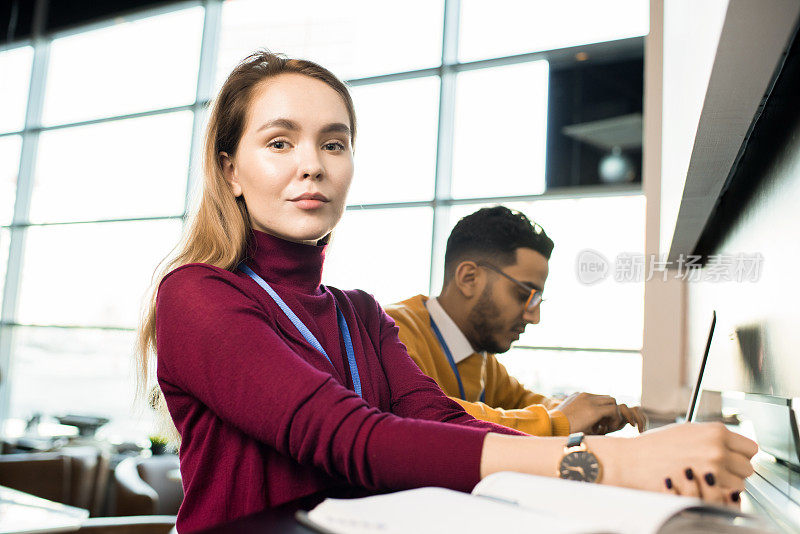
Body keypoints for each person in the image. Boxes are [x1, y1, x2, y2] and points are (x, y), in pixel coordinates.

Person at [135, 50, 757, 532]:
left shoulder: (360, 314)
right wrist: (604, 462)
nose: (313, 165)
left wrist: (621, 466)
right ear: (228, 170)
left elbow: (442, 421)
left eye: (334, 142)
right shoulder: (197, 295)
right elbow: (353, 438)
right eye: (279, 142)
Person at [386, 206, 644, 437]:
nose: (534, 317)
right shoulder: (392, 332)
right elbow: (431, 414)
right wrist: (558, 422)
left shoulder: (480, 356)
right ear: (469, 278)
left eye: (537, 300)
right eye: (524, 295)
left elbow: (522, 402)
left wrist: (590, 412)